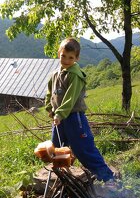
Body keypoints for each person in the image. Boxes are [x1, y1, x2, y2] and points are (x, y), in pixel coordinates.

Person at [45, 38, 116, 189]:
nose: (66, 60)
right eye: (63, 55)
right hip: (59, 119)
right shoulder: (54, 74)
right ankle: (63, 178)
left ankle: (108, 178)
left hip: (73, 118)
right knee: (57, 149)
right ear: (59, 53)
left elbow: (70, 98)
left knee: (83, 149)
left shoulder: (75, 75)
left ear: (77, 58)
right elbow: (49, 94)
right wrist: (50, 109)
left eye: (71, 57)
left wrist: (59, 114)